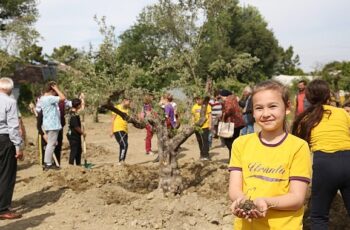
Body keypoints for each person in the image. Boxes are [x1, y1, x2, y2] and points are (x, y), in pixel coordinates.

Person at [229, 80, 311, 229]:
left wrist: (266, 202)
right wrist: (242, 201)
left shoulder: (298, 147)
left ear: (287, 108)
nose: (266, 114)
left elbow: (297, 198)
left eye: (272, 106)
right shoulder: (240, 144)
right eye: (259, 108)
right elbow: (234, 188)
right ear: (253, 112)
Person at [292, 79, 350, 229]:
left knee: (318, 217)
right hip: (348, 160)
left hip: (324, 164)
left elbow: (297, 146)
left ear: (308, 97)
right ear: (328, 95)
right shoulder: (342, 113)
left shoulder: (305, 119)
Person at [0, 77, 24, 219]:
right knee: (6, 174)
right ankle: (3, 209)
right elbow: (13, 127)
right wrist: (18, 146)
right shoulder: (10, 102)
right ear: (9, 89)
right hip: (4, 139)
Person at [38, 81, 66, 170]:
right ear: (52, 90)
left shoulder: (42, 98)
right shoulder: (49, 98)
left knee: (52, 144)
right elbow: (63, 98)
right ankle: (48, 163)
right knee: (51, 144)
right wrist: (56, 88)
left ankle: (48, 162)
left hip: (48, 124)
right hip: (52, 124)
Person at [219, 89, 245, 161]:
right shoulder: (234, 99)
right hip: (238, 123)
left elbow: (229, 110)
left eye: (221, 96)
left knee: (228, 141)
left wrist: (223, 114)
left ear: (224, 96)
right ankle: (233, 159)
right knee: (234, 141)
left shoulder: (228, 100)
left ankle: (235, 156)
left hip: (232, 123)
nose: (221, 98)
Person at [111, 97, 131, 164]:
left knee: (122, 145)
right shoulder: (116, 108)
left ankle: (121, 161)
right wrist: (112, 130)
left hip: (125, 130)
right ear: (124, 101)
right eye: (129, 102)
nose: (130, 103)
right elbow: (113, 119)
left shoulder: (127, 109)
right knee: (125, 144)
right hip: (118, 129)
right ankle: (121, 161)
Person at [191, 96, 212, 160]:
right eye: (197, 99)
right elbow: (193, 116)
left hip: (205, 126)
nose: (198, 101)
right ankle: (202, 154)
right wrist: (192, 123)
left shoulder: (207, 106)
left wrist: (210, 124)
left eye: (199, 99)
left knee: (205, 140)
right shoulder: (194, 106)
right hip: (197, 127)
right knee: (199, 140)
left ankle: (206, 155)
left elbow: (210, 115)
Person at [67, 98, 84, 166]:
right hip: (73, 135)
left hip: (75, 135)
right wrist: (82, 132)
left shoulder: (73, 113)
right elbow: (76, 126)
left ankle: (78, 164)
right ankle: (71, 165)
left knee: (78, 150)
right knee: (74, 150)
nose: (81, 106)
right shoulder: (73, 115)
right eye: (80, 104)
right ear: (77, 105)